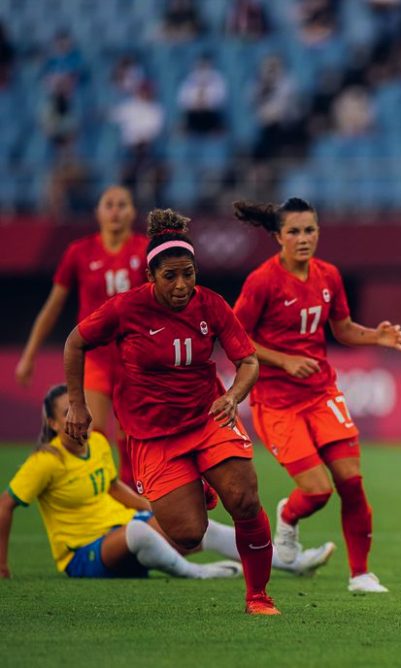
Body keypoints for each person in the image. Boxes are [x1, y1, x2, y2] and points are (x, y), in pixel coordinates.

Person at [63, 208, 279, 615]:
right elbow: (75, 343)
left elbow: (248, 361)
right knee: (187, 534)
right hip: (153, 436)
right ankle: (202, 485)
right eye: (170, 276)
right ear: (151, 276)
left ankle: (258, 596)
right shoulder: (125, 309)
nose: (182, 285)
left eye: (189, 274)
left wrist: (233, 396)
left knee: (246, 500)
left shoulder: (211, 305)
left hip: (207, 419)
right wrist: (77, 404)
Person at [232, 198, 401, 594]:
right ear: (278, 237)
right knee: (318, 490)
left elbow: (341, 328)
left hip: (321, 392)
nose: (303, 238)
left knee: (351, 482)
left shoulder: (328, 275)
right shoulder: (263, 281)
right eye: (293, 231)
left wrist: (374, 336)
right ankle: (288, 518)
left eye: (310, 230)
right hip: (276, 402)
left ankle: (361, 574)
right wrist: (284, 361)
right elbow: (235, 337)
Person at [0, 385, 334, 579]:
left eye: (80, 411)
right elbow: (6, 505)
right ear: (53, 423)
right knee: (139, 532)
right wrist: (2, 565)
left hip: (122, 527)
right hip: (82, 553)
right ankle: (196, 572)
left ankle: (292, 563)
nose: (78, 421)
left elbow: (113, 487)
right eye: (67, 415)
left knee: (204, 528)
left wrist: (152, 508)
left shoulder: (98, 443)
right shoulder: (46, 460)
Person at [16, 186, 148, 486]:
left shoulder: (144, 250)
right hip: (95, 356)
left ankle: (135, 506)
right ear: (98, 212)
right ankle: (103, 500)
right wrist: (29, 354)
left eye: (122, 204)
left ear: (132, 212)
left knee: (131, 435)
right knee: (94, 430)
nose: (115, 210)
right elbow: (53, 306)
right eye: (109, 204)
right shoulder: (79, 252)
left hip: (135, 356)